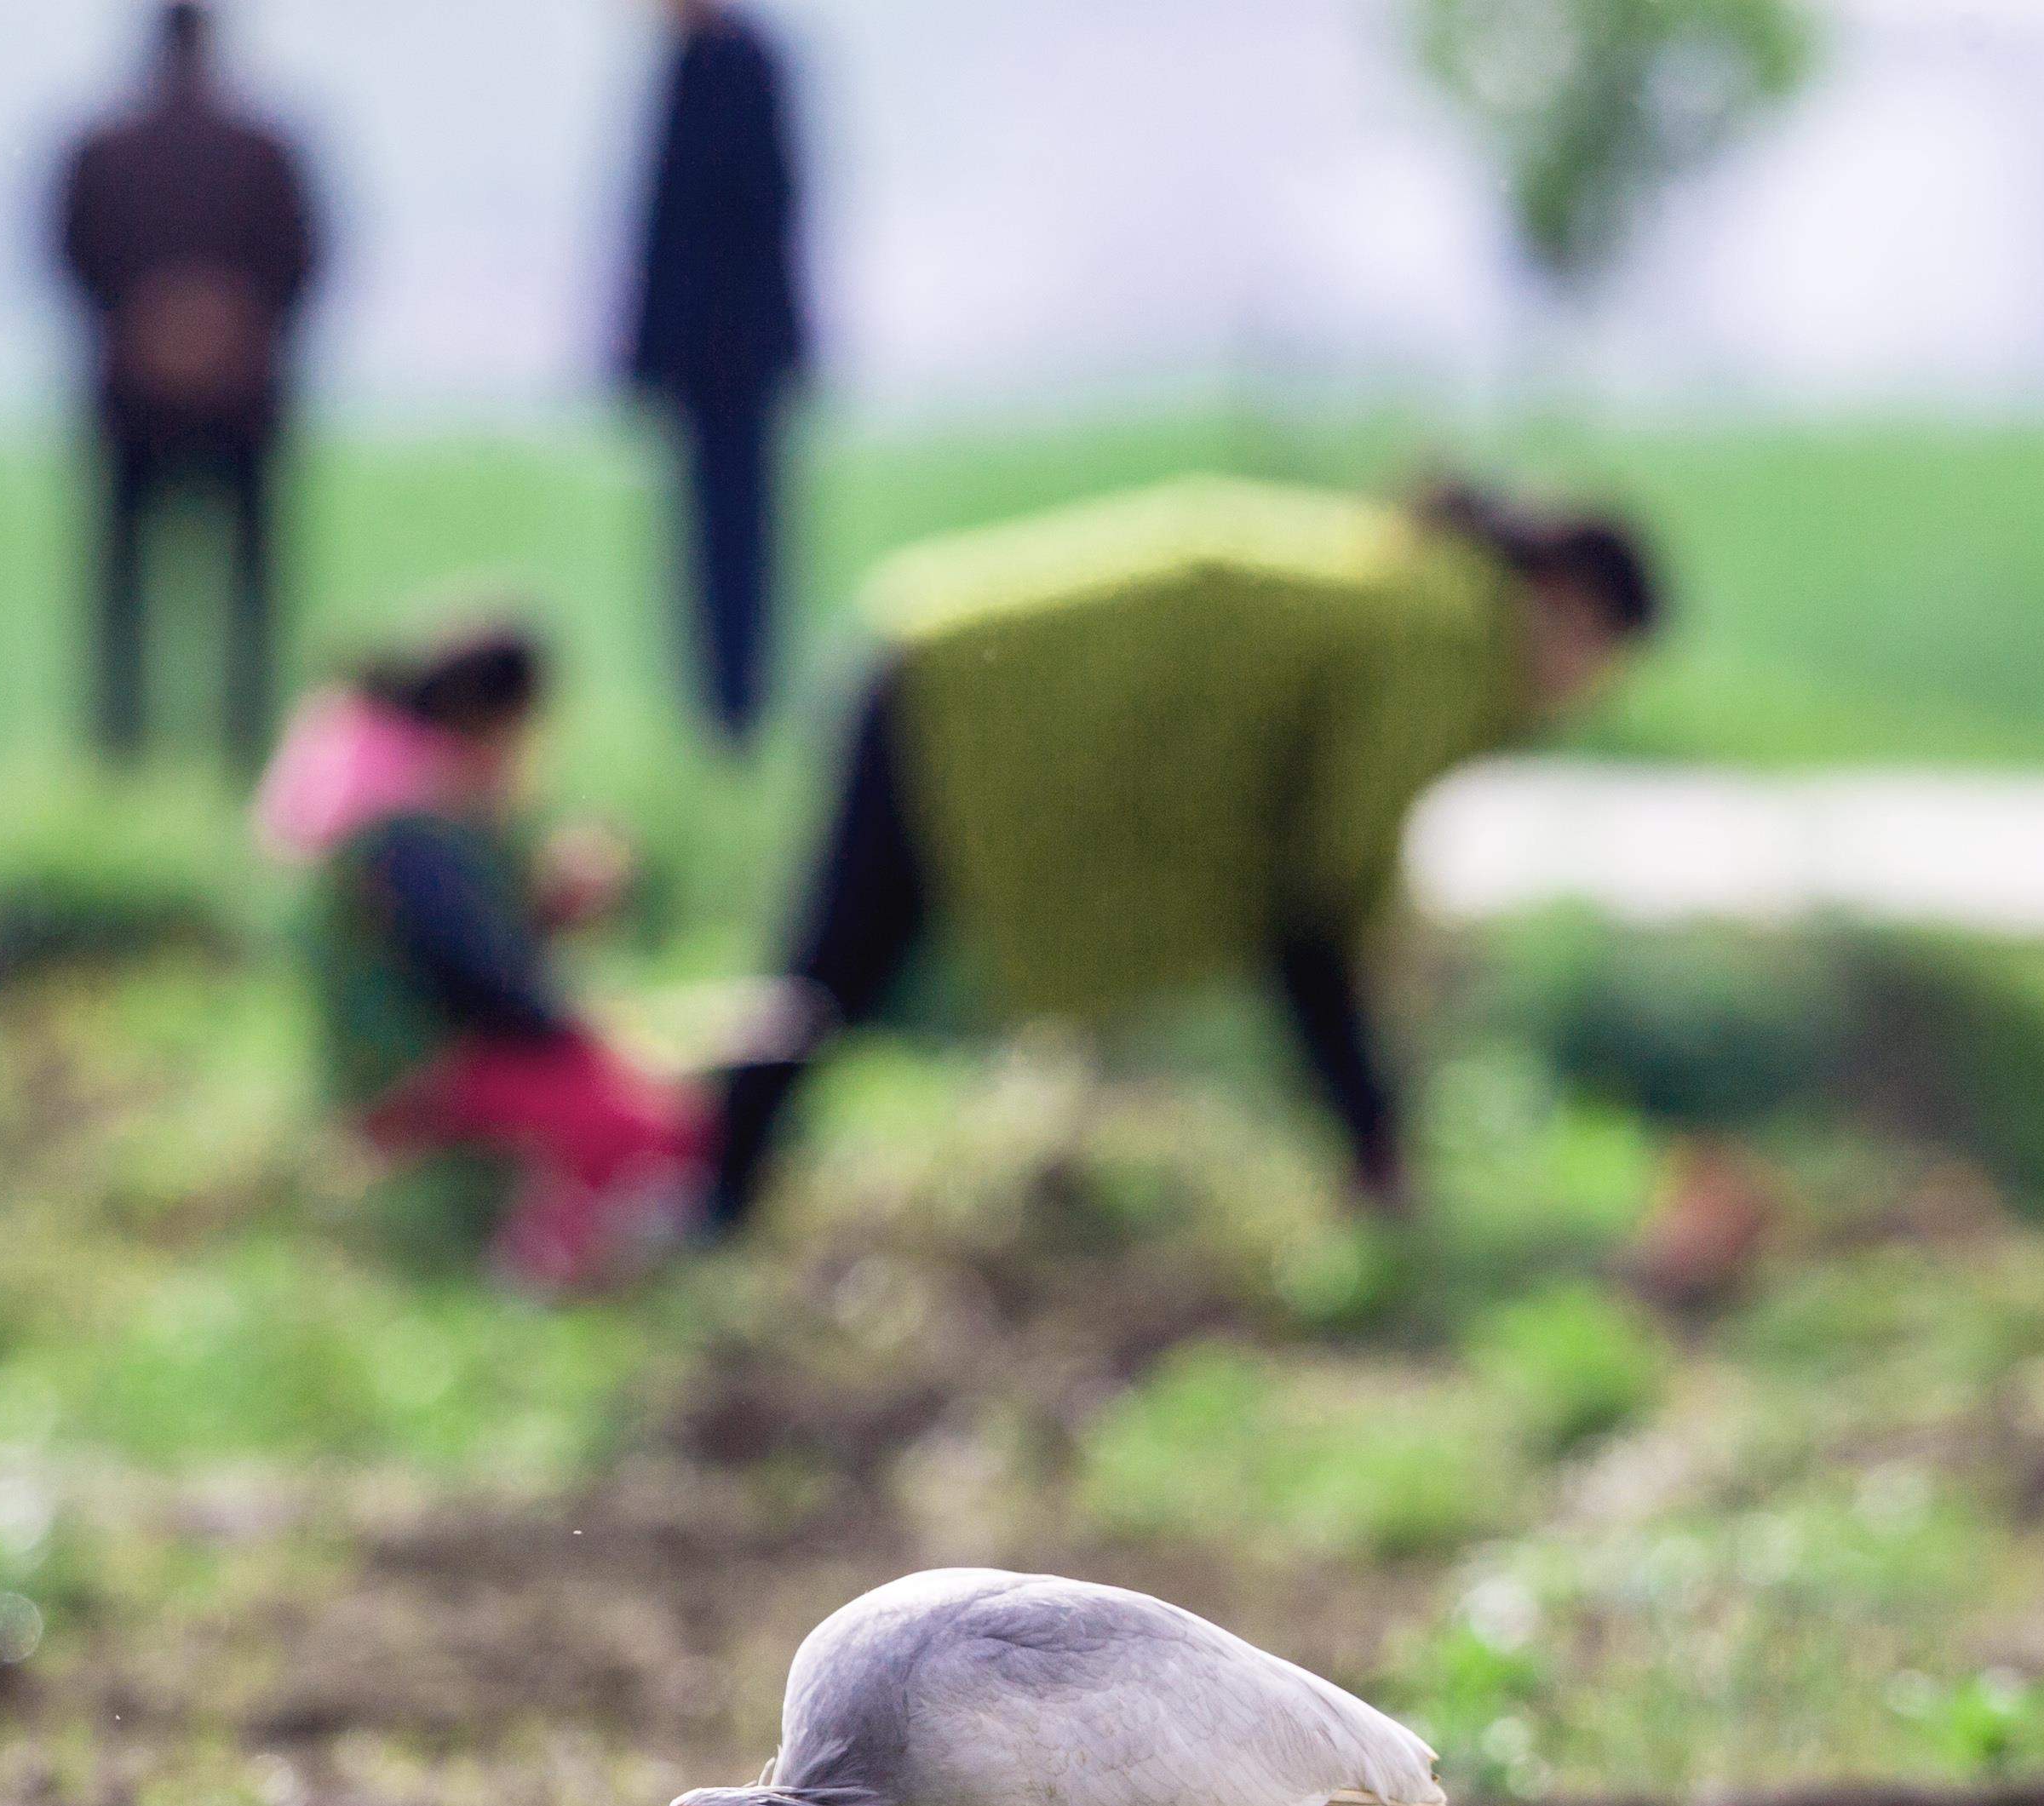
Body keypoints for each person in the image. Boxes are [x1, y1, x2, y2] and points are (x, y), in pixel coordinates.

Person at [703, 475, 1666, 1231]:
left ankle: (704, 1189)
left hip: (952, 670)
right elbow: (1314, 900)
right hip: (967, 699)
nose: (1580, 694)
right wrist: (1375, 1126)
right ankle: (695, 1193)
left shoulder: (1422, 593)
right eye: (1596, 660)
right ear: (1565, 604)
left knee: (837, 976)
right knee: (834, 977)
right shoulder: (1445, 637)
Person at [257, 626, 705, 1288]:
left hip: (405, 1062)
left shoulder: (399, 808)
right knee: (643, 1127)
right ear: (493, 719)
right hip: (411, 1072)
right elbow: (476, 979)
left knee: (635, 1096)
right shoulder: (411, 832)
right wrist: (579, 1023)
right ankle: (536, 1283)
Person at [55, 3, 324, 770]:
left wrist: (148, 323)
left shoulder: (103, 150)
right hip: (240, 399)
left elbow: (70, 253)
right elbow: (305, 259)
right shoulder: (265, 152)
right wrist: (229, 325)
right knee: (247, 590)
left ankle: (120, 746)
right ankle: (244, 744)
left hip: (137, 398)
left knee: (126, 590)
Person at [618, 0, 810, 750]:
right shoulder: (698, 62)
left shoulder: (733, 62)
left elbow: (729, 223)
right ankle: (721, 709)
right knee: (711, 544)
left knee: (738, 540)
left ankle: (739, 711)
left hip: (731, 354)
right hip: (715, 357)